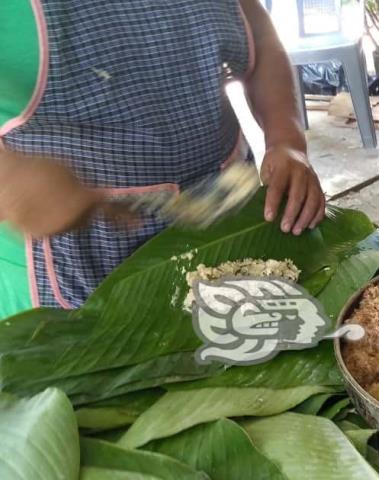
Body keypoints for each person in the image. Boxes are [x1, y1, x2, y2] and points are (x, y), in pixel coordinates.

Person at [0, 0, 325, 319]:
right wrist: (9, 181)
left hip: (222, 209)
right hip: (77, 258)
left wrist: (286, 138)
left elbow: (260, 40)